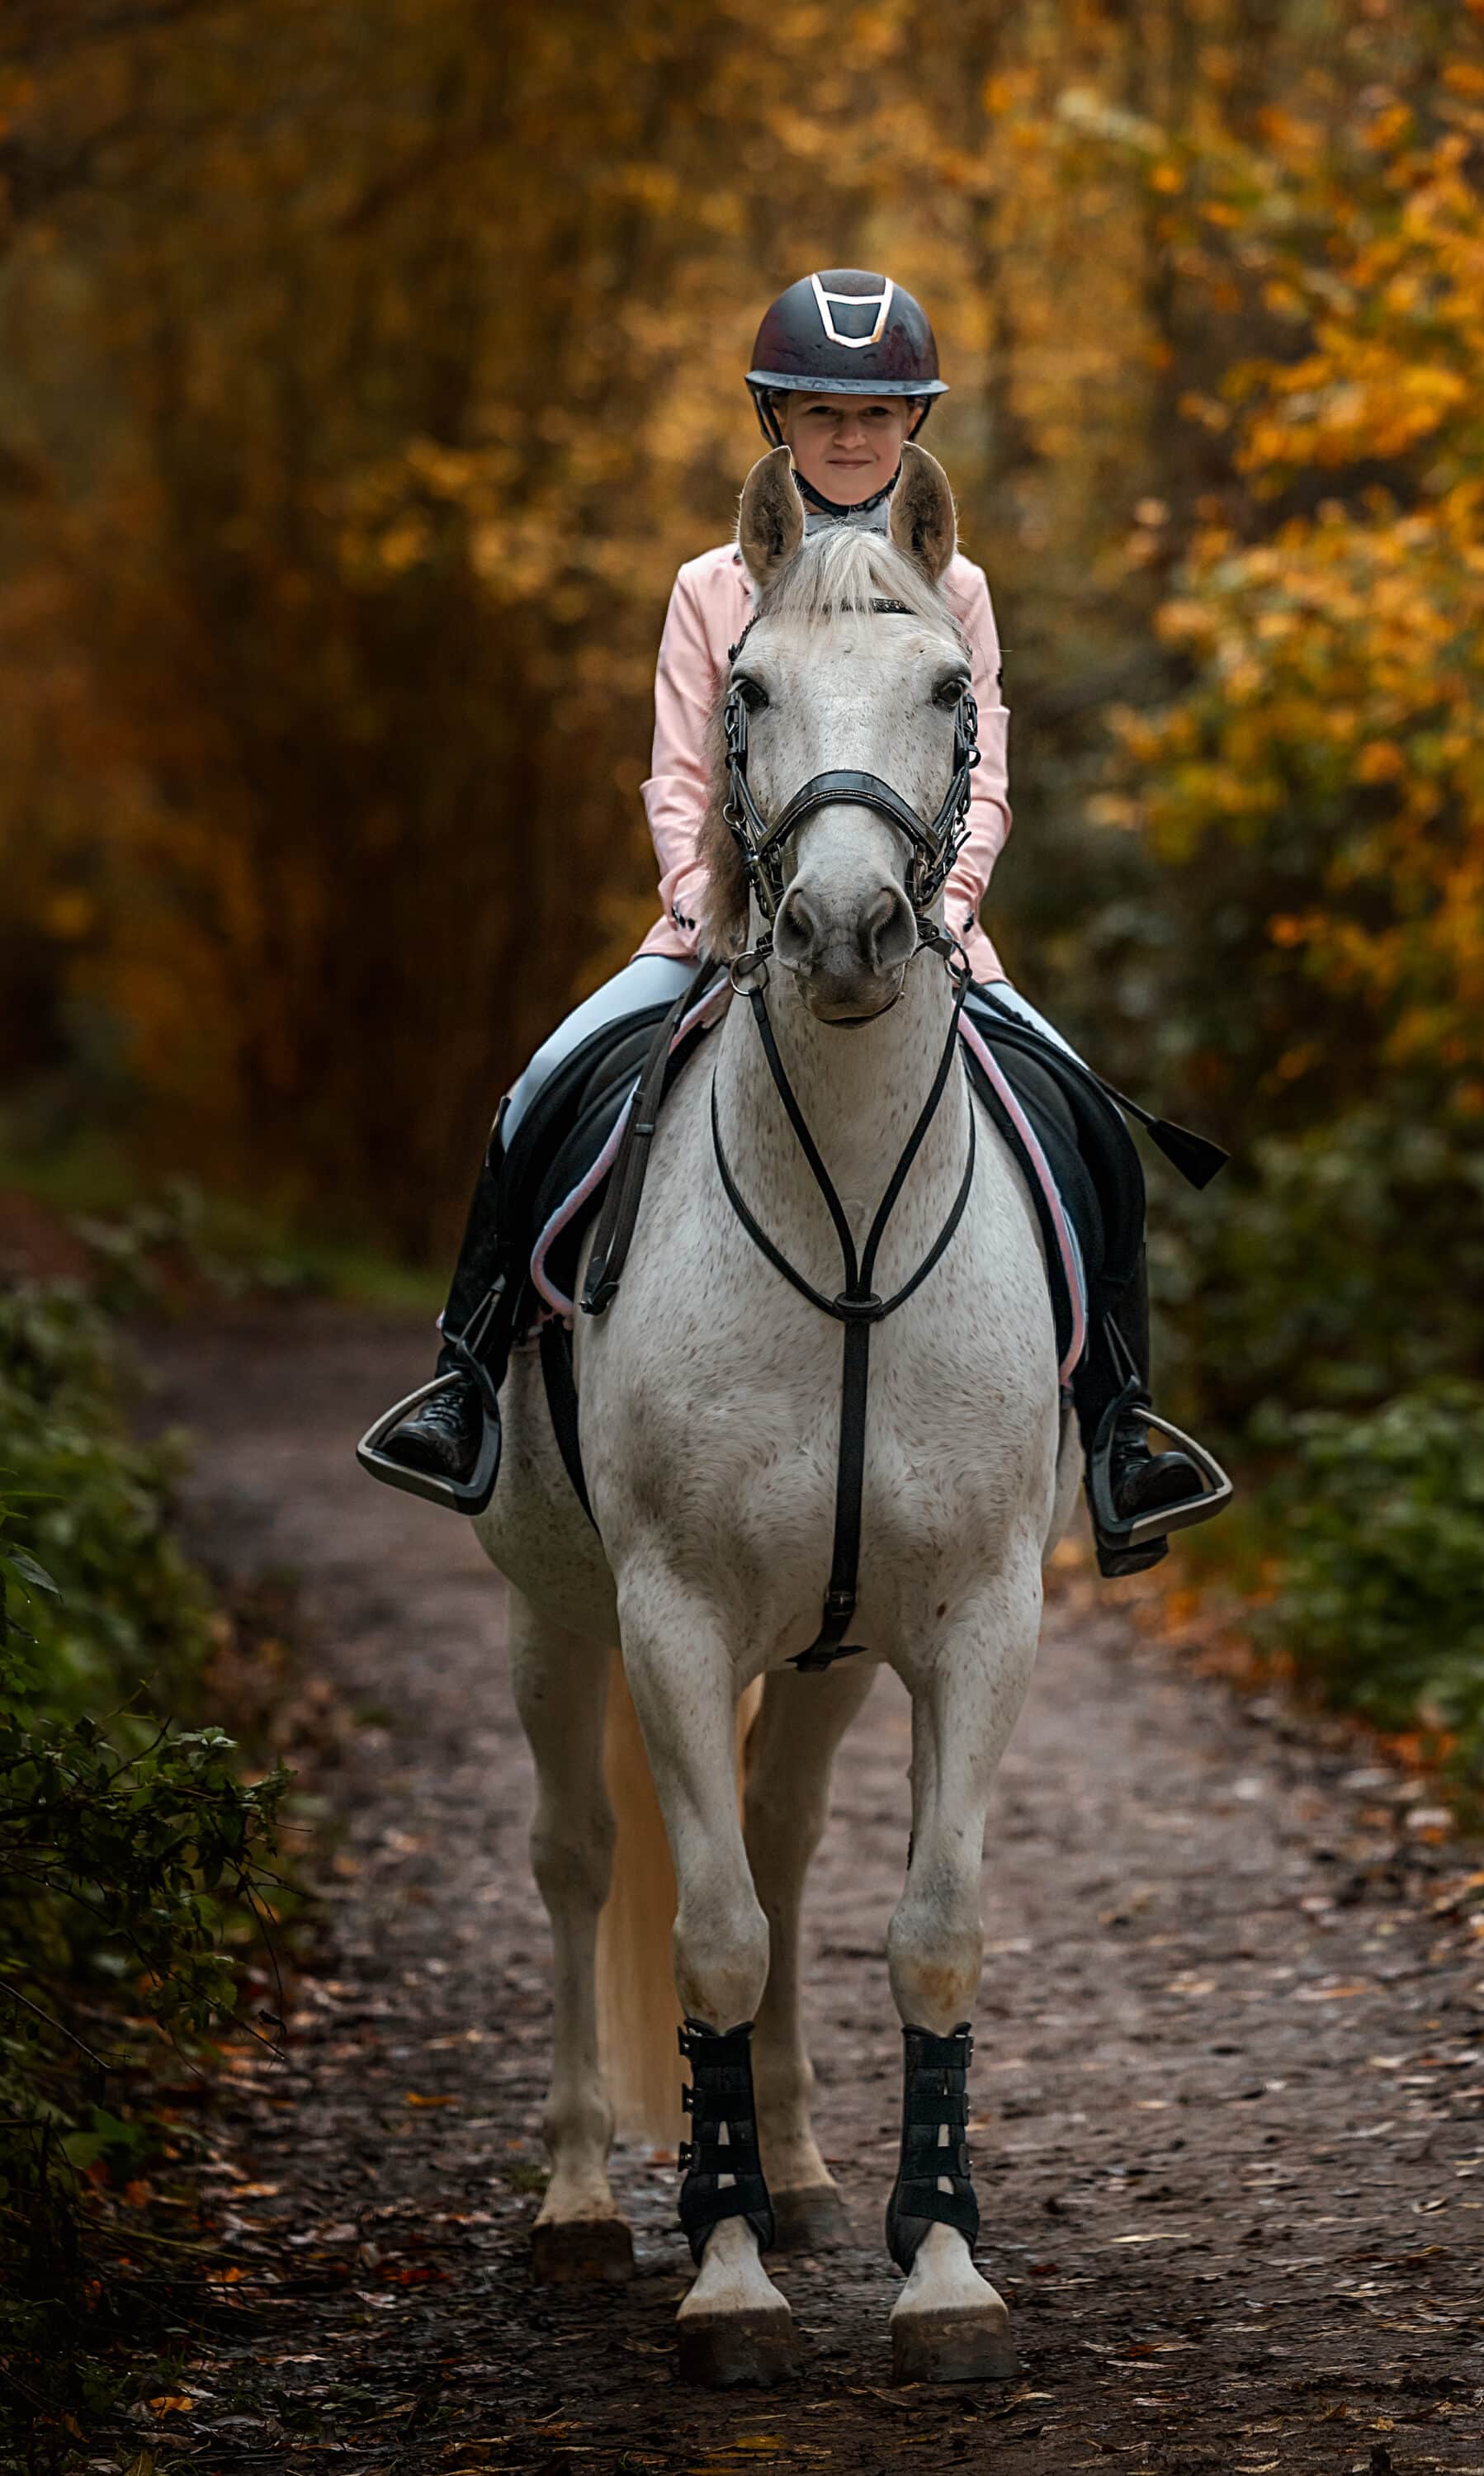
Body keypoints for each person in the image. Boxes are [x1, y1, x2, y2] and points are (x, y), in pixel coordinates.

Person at [367, 268, 1213, 1572]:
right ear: (779, 421)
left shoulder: (957, 586)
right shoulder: (713, 586)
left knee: (1088, 1128)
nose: (852, 438)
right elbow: (680, 778)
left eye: (878, 416)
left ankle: (1119, 1436)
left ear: (913, 428)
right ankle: (466, 1386)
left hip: (922, 934)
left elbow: (979, 773)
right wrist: (714, 911)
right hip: (725, 936)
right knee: (537, 1090)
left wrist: (955, 901)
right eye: (824, 413)